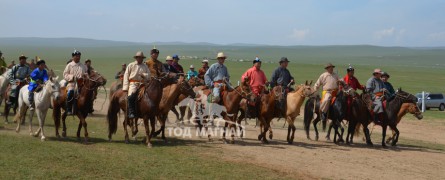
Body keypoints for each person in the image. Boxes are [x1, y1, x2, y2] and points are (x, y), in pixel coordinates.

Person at [122, 51, 151, 119]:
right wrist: (125, 88)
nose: (140, 59)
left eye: (141, 58)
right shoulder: (131, 65)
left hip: (143, 84)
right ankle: (131, 112)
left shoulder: (145, 66)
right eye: (139, 58)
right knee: (131, 97)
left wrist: (143, 75)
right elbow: (126, 75)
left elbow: (149, 75)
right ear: (136, 58)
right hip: (133, 83)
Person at [63, 50, 88, 115]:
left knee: (89, 93)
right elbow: (65, 74)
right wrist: (73, 77)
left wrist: (85, 76)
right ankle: (68, 109)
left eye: (79, 56)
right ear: (73, 57)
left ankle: (89, 107)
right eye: (76, 56)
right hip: (72, 83)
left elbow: (86, 73)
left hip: (81, 84)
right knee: (71, 92)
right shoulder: (69, 65)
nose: (78, 57)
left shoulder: (83, 66)